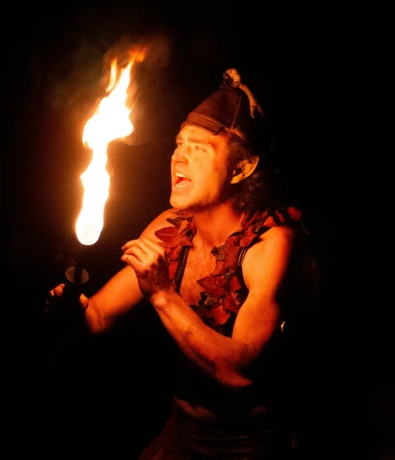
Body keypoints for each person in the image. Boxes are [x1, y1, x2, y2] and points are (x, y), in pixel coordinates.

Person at [48, 68, 319, 459]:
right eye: (179, 143)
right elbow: (99, 316)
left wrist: (162, 293)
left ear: (242, 168)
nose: (179, 156)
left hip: (250, 446)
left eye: (199, 148)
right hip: (181, 435)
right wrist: (74, 309)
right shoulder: (170, 228)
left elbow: (238, 374)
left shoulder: (270, 246)